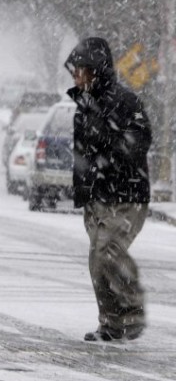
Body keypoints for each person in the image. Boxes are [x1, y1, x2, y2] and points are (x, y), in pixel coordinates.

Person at [64, 37, 152, 342]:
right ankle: (112, 323)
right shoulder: (83, 107)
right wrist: (82, 191)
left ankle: (132, 311)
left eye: (80, 69)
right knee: (98, 262)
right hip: (98, 198)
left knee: (109, 252)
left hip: (126, 195)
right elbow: (80, 154)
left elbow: (141, 140)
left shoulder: (125, 102)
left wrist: (111, 154)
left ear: (94, 70)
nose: (75, 75)